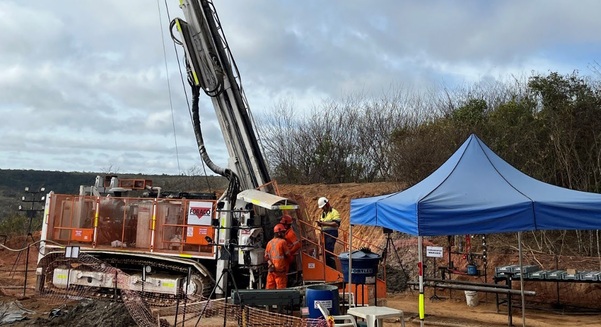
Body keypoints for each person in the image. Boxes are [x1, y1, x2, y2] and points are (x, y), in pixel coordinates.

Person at [316, 196, 341, 269]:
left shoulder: (334, 212)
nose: (322, 209)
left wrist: (323, 223)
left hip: (331, 234)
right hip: (324, 234)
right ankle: (328, 269)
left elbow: (336, 224)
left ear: (327, 204)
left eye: (323, 207)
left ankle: (332, 269)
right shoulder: (323, 214)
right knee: (324, 253)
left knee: (329, 252)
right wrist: (320, 224)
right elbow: (324, 223)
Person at [264, 224, 291, 289]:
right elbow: (288, 255)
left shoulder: (269, 243)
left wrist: (271, 264)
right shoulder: (283, 242)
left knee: (269, 290)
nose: (284, 234)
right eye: (283, 232)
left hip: (271, 270)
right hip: (280, 271)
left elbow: (266, 257)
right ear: (279, 233)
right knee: (280, 292)